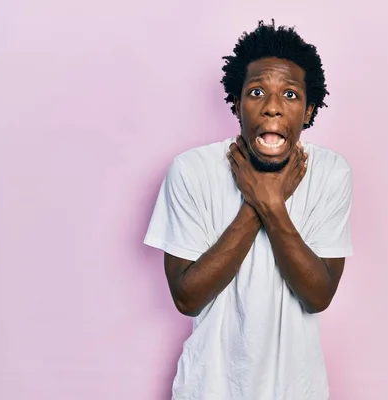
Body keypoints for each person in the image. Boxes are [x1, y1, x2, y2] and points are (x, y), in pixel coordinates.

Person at [144, 19, 353, 400]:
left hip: (297, 390)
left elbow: (317, 295)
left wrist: (271, 204)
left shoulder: (331, 174)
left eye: (290, 95)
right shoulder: (192, 170)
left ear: (308, 111)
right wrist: (257, 202)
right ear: (237, 104)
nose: (272, 108)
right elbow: (187, 298)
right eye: (257, 92)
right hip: (208, 389)